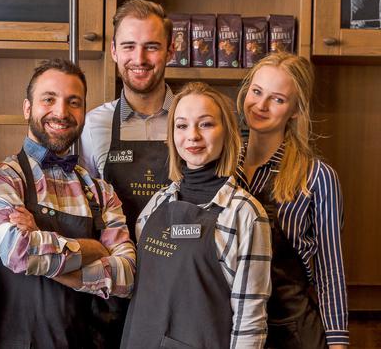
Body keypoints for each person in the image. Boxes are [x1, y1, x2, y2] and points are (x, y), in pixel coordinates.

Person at [0, 58, 136, 349]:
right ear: (27, 108)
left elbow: (126, 275)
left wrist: (43, 246)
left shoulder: (100, 190)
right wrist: (93, 248)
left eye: (74, 102)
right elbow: (20, 253)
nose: (61, 112)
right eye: (49, 99)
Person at [122, 82, 272, 349]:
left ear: (226, 132)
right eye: (181, 125)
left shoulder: (244, 213)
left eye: (205, 124)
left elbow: (250, 320)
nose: (192, 136)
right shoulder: (157, 205)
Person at [236, 53, 348, 348]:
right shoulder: (221, 168)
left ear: (296, 110)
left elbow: (330, 269)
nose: (260, 105)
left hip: (293, 333)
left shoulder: (317, 177)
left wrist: (337, 343)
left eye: (277, 99)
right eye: (256, 92)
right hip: (234, 328)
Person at [80, 0, 174, 242]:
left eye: (151, 46)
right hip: (115, 265)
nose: (139, 59)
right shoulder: (92, 125)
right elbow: (84, 205)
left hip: (177, 267)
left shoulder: (193, 121)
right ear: (114, 50)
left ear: (170, 51)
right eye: (128, 46)